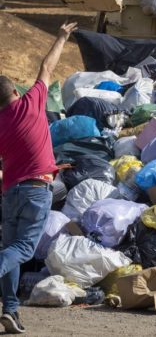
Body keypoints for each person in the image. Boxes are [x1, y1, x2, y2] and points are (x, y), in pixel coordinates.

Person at [0, 21, 78, 333]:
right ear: (15, 92)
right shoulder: (32, 102)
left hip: (11, 193)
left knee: (12, 248)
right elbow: (47, 65)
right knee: (23, 249)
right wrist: (61, 35)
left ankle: (11, 311)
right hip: (36, 189)